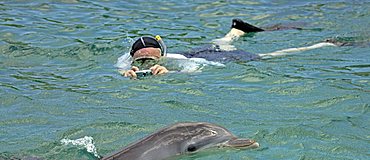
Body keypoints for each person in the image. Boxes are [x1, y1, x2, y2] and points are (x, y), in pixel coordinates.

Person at [120, 19, 339, 78]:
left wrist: (171, 74)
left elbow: (193, 70)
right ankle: (236, 31)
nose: (147, 64)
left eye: (152, 60)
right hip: (197, 51)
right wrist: (124, 74)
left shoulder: (174, 61)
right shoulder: (126, 61)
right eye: (141, 61)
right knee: (219, 43)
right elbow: (119, 68)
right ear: (132, 58)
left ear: (163, 56)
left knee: (266, 56)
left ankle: (322, 44)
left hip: (202, 58)